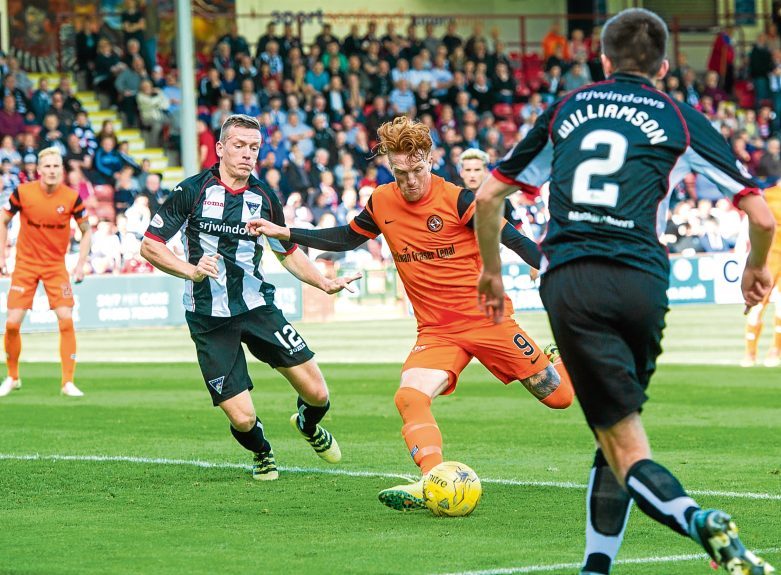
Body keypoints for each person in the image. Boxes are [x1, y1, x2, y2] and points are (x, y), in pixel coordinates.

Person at [474, 9, 776, 575]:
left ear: (603, 60)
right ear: (663, 66)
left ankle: (698, 520)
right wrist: (755, 270)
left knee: (624, 443)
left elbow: (490, 197)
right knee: (611, 426)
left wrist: (491, 273)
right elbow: (761, 215)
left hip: (574, 278)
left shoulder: (567, 107)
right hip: (644, 283)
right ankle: (596, 566)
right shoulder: (680, 117)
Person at [247, 116, 574, 509]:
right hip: (437, 332)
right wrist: (287, 232)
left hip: (489, 321)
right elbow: (347, 238)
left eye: (417, 170)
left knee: (560, 398)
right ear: (390, 166)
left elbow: (514, 238)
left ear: (431, 161)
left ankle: (566, 352)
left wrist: (547, 265)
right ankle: (434, 480)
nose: (410, 181)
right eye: (401, 172)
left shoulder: (458, 199)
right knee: (408, 397)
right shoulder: (382, 200)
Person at [140, 114, 360, 481]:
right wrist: (190, 270)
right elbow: (150, 246)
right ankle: (262, 452)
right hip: (208, 317)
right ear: (220, 148)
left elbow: (286, 251)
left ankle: (307, 424)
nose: (246, 154)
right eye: (239, 146)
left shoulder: (263, 198)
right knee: (242, 417)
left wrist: (323, 282)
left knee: (319, 394)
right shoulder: (192, 191)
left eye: (253, 148)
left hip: (257, 308)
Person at [0, 148, 92, 398]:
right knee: (11, 324)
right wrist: (2, 255)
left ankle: (67, 382)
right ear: (39, 170)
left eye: (56, 166)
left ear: (62, 170)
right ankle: (12, 376)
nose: (52, 170)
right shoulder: (23, 192)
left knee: (66, 319)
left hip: (55, 266)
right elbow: (3, 219)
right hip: (26, 264)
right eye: (47, 166)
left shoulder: (72, 198)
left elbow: (86, 231)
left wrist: (81, 263)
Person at [743, 183, 781, 367]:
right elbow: (754, 220)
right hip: (769, 257)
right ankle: (750, 352)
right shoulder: (768, 194)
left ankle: (776, 350)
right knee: (757, 305)